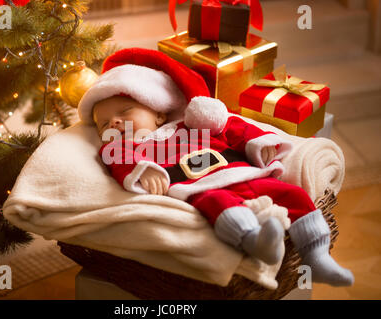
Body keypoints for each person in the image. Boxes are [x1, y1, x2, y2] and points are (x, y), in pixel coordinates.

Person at [78, 48, 354, 287]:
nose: (114, 123)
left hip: (240, 170)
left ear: (158, 112)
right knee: (220, 204)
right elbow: (117, 159)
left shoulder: (191, 123)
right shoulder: (125, 147)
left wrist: (258, 142)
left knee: (292, 195)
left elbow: (232, 127)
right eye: (104, 123)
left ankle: (317, 255)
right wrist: (143, 170)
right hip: (196, 186)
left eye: (124, 112)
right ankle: (256, 242)